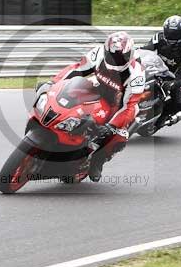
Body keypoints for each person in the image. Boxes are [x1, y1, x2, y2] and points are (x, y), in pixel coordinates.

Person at [49, 31, 145, 181]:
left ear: (130, 54)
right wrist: (53, 82)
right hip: (96, 87)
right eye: (112, 56)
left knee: (118, 136)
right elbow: (76, 69)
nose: (116, 61)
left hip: (117, 103)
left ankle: (97, 162)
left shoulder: (136, 73)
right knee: (69, 99)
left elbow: (129, 106)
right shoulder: (98, 53)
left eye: (121, 57)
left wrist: (112, 126)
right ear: (106, 50)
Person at [141, 15, 181, 124]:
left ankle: (161, 119)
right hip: (155, 69)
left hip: (173, 75)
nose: (171, 36)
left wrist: (173, 84)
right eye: (169, 33)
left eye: (175, 34)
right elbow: (145, 50)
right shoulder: (158, 38)